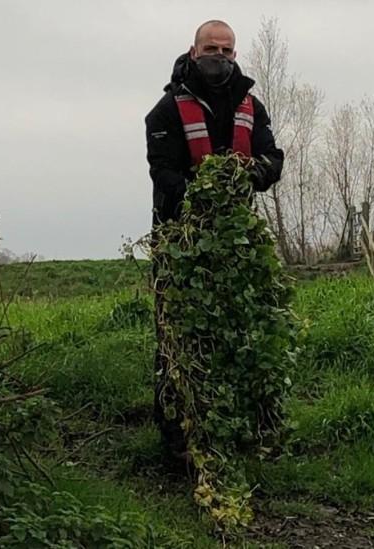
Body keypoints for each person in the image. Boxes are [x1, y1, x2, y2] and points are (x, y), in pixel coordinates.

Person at [143, 19, 284, 471]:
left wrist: (252, 175)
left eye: (226, 50)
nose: (218, 57)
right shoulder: (165, 112)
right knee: (179, 340)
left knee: (240, 336)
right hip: (180, 242)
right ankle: (176, 437)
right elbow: (162, 173)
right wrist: (202, 193)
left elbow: (272, 157)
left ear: (235, 55)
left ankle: (241, 429)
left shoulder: (251, 106)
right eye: (211, 48)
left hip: (235, 243)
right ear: (193, 49)